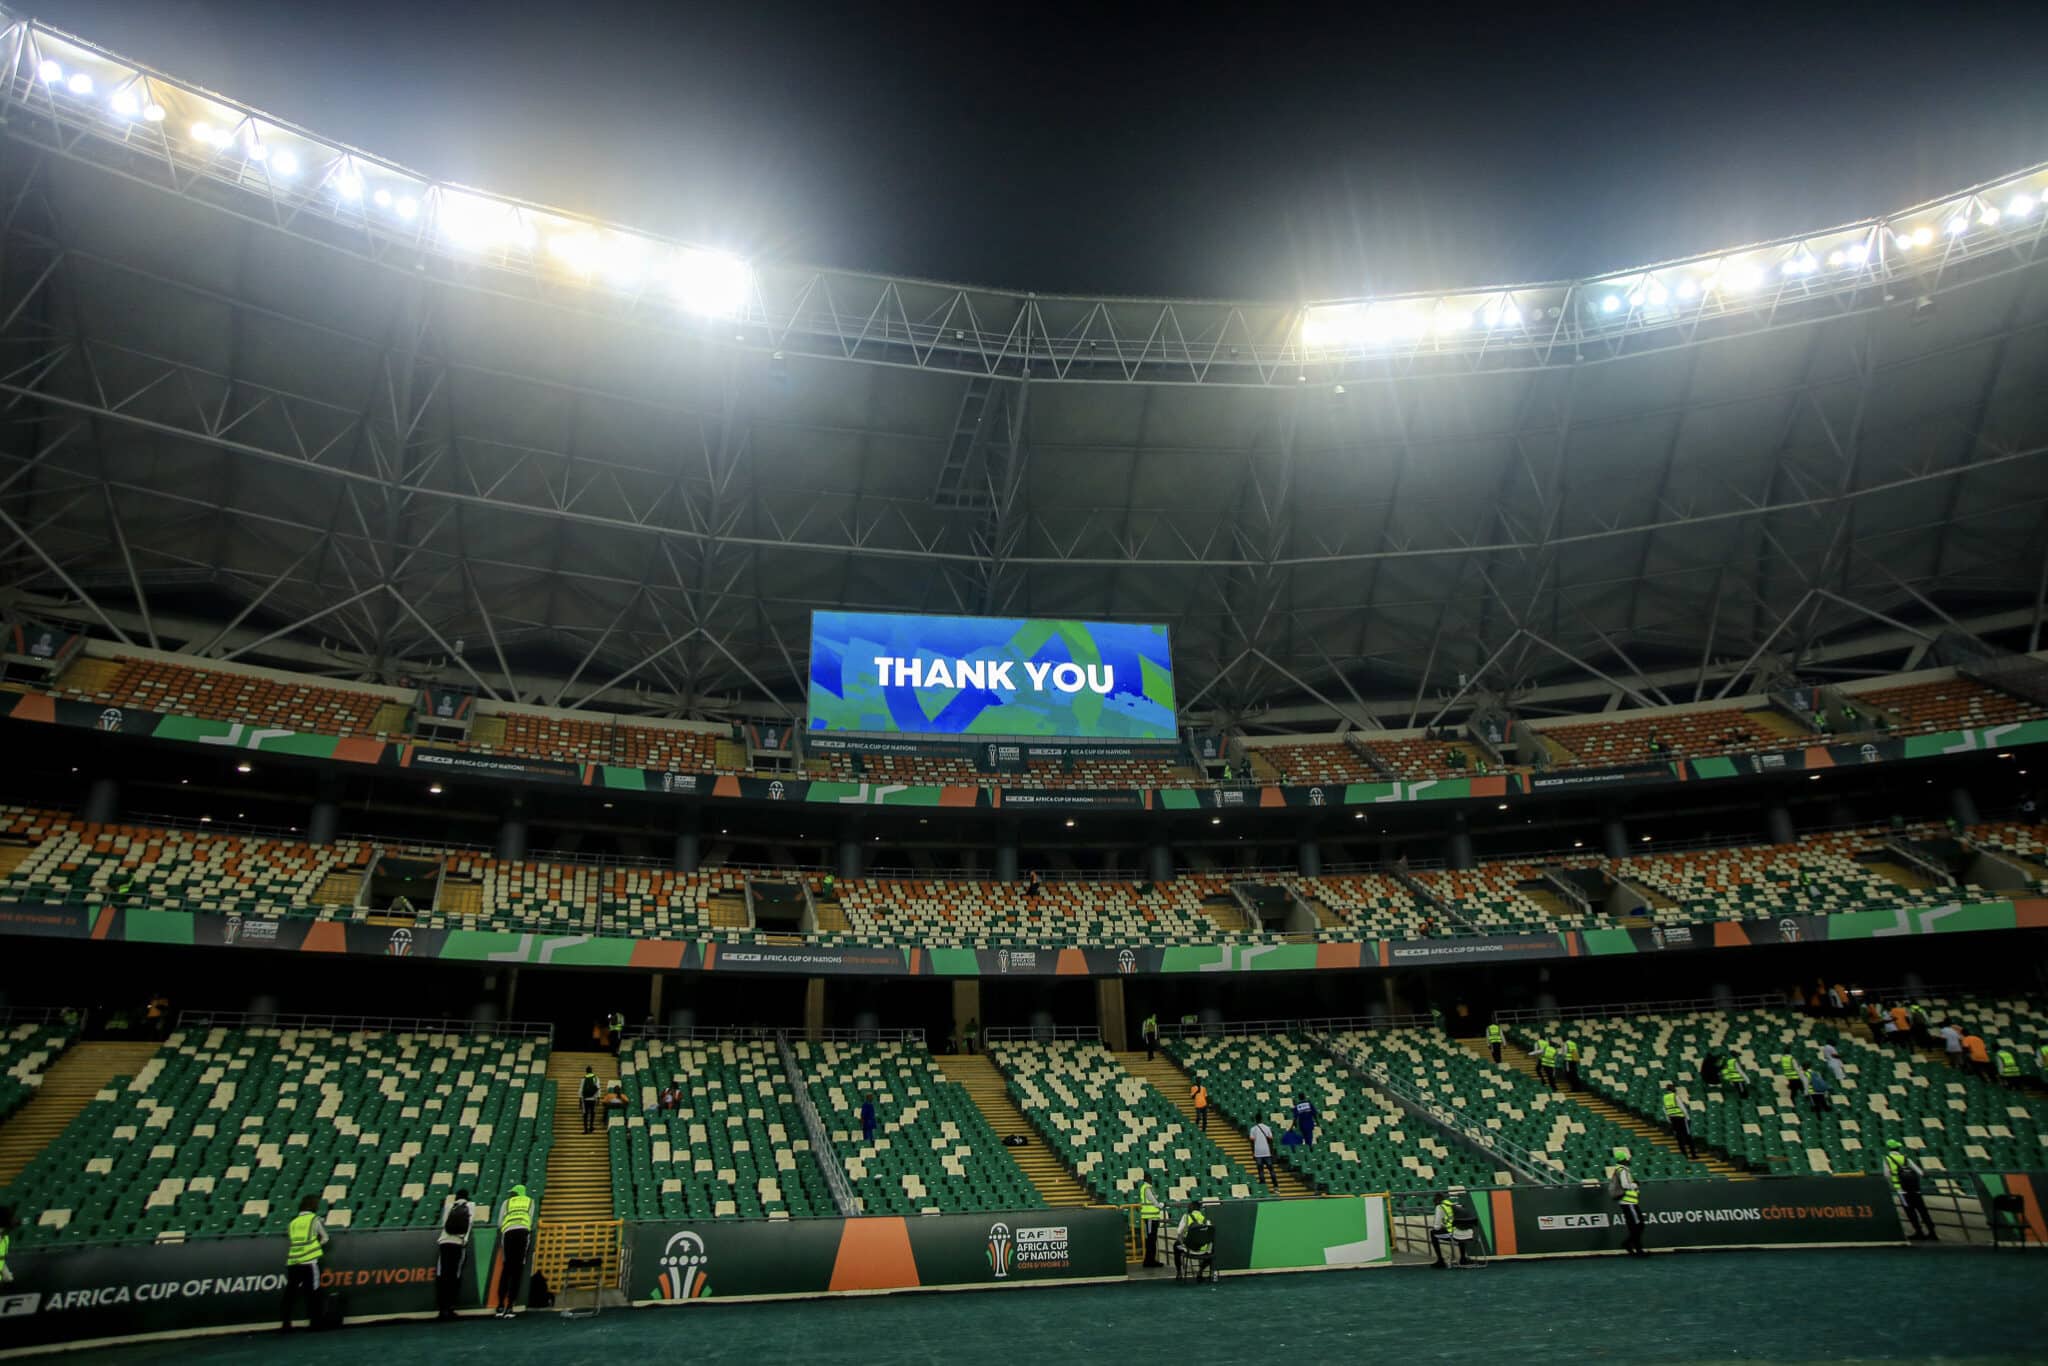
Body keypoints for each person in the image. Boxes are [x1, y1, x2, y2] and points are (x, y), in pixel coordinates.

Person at [280, 1194, 329, 1331]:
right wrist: (317, 1245)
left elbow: (292, 1239)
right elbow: (325, 1237)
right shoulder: (314, 1220)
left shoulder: (293, 1222)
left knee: (290, 1293)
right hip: (310, 1261)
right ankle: (315, 1322)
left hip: (293, 1260)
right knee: (313, 1291)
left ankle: (285, 1323)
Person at [495, 1183, 534, 1319]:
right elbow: (530, 1217)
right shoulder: (530, 1201)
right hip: (523, 1232)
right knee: (518, 1269)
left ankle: (500, 1306)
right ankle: (510, 1306)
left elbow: (500, 1222)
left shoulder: (507, 1202)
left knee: (506, 1268)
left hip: (508, 1233)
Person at [1885, 1140, 1936, 1241]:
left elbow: (1887, 1175)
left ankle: (1919, 1231)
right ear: (1898, 1148)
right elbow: (1920, 1172)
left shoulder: (1887, 1159)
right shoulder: (1905, 1158)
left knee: (1910, 1211)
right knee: (1922, 1210)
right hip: (1914, 1189)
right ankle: (1932, 1232)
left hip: (1901, 1190)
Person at [436, 1188, 474, 1320]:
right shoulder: (470, 1206)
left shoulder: (449, 1206)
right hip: (458, 1243)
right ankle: (451, 1307)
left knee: (443, 1275)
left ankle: (442, 1309)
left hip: (444, 1242)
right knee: (454, 1275)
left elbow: (443, 1224)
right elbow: (469, 1224)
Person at [1607, 1147, 1645, 1256]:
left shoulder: (1619, 1169)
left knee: (1634, 1225)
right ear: (1624, 1159)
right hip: (1629, 1202)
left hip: (1628, 1202)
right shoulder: (1623, 1170)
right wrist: (1635, 1185)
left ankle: (1633, 1246)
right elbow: (1625, 1185)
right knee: (1638, 1225)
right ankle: (1634, 1246)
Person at [1429, 1190, 1472, 1268]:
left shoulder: (1440, 1207)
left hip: (1453, 1234)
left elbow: (1437, 1226)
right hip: (1469, 1233)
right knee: (1460, 1230)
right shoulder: (1454, 1205)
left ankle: (1440, 1260)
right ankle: (1463, 1259)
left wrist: (1442, 1226)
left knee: (1432, 1233)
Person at [1173, 1203, 1214, 1280]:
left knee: (1176, 1245)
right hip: (1204, 1249)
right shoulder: (1206, 1219)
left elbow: (1179, 1233)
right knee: (1214, 1250)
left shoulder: (1186, 1217)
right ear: (1199, 1209)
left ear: (1190, 1208)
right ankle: (1200, 1271)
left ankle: (1179, 1272)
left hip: (1189, 1247)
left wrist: (1182, 1243)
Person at [1661, 1082, 1697, 1159]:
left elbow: (1665, 1109)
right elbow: (1682, 1107)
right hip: (1680, 1118)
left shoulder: (1664, 1098)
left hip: (1673, 1119)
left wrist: (1669, 1119)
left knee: (1679, 1137)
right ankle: (1693, 1154)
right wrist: (1687, 1117)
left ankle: (1684, 1155)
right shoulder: (1675, 1096)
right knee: (1688, 1135)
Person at [1138, 1174, 1164, 1268]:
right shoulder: (1146, 1188)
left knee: (1152, 1239)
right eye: (1150, 1179)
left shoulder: (1148, 1188)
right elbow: (1152, 1200)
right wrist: (1160, 1205)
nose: (1152, 1180)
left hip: (1153, 1218)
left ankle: (1151, 1260)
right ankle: (1149, 1261)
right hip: (1150, 1218)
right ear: (1147, 1179)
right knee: (1150, 1240)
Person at [1249, 1115, 1278, 1191]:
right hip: (1267, 1151)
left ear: (1255, 1120)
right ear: (1262, 1119)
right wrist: (1271, 1152)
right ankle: (1276, 1186)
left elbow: (1252, 1141)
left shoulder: (1253, 1129)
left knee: (1260, 1170)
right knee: (1271, 1170)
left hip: (1258, 1152)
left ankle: (1263, 1186)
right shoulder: (1267, 1128)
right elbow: (1271, 1140)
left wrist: (1253, 1153)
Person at [579, 1066, 600, 1134]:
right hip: (593, 1099)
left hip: (585, 1099)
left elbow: (581, 1089)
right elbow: (598, 1088)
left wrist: (580, 1100)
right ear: (591, 1071)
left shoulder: (583, 1079)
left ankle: (585, 1130)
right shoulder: (596, 1078)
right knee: (592, 1113)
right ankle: (591, 1127)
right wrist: (598, 1098)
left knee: (585, 1114)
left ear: (586, 1071)